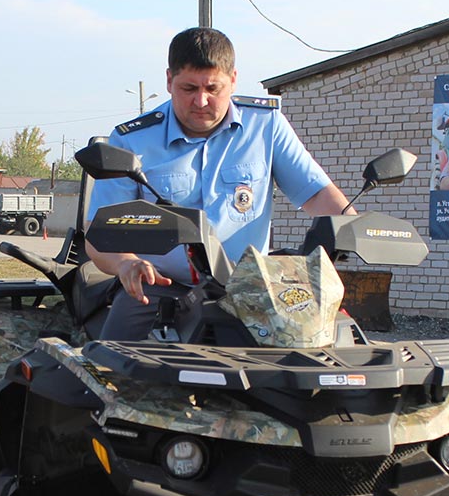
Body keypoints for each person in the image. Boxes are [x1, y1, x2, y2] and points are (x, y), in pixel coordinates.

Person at [85, 27, 351, 340]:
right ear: (169, 81)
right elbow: (100, 235)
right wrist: (127, 265)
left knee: (325, 361)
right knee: (113, 372)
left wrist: (349, 228)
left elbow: (317, 193)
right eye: (188, 88)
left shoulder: (265, 126)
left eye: (213, 88)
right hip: (160, 290)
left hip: (252, 291)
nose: (201, 100)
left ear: (233, 79)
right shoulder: (133, 140)